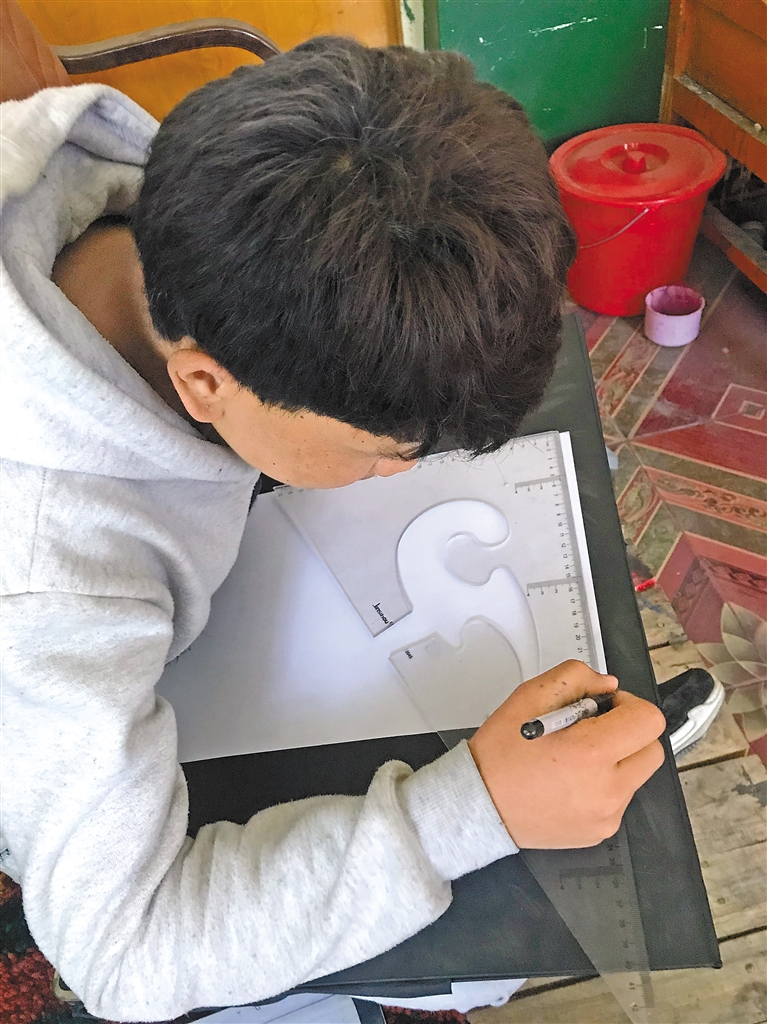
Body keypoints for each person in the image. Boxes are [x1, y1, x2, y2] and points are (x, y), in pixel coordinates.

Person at [0, 36, 666, 1021]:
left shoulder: (196, 188)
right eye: (382, 453)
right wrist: (469, 811)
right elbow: (124, 952)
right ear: (204, 384)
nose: (403, 474)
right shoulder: (56, 582)